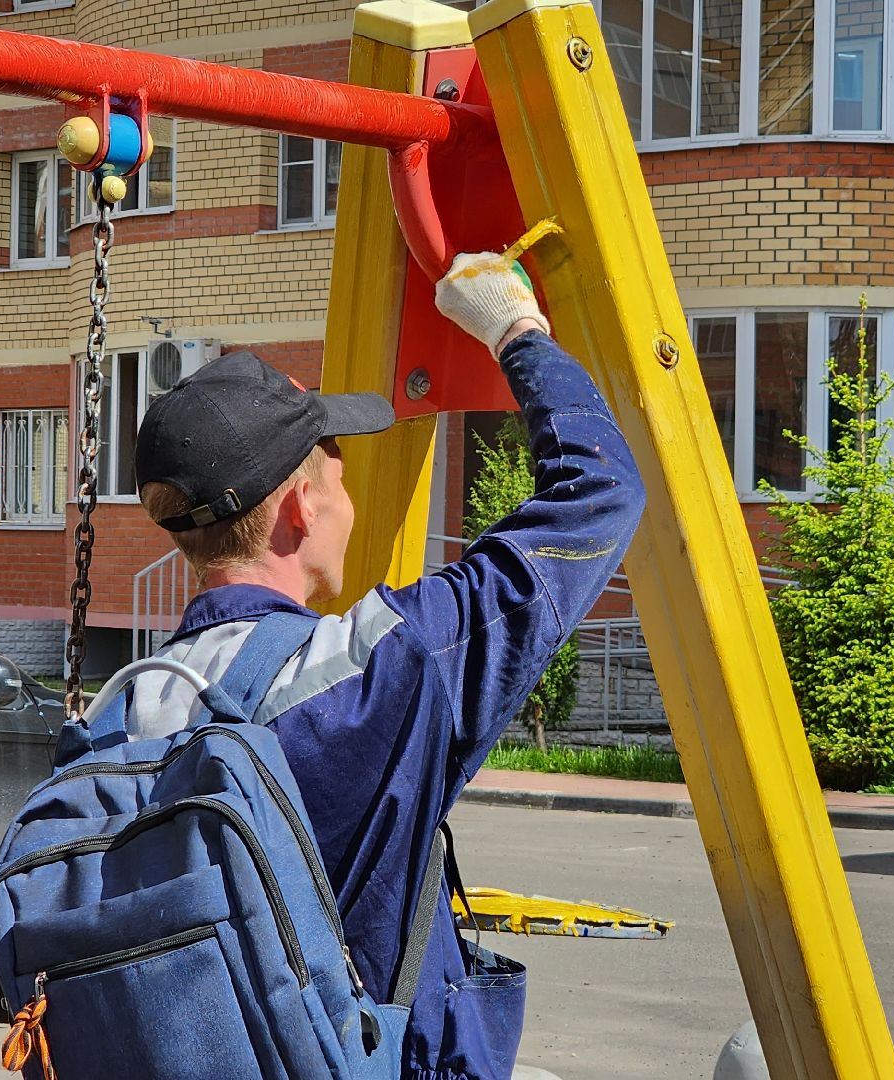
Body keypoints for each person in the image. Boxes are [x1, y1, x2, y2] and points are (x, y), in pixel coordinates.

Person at [123, 250, 645, 1080]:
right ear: (301, 506)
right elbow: (601, 491)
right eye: (339, 468)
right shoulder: (382, 664)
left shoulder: (129, 707)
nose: (348, 493)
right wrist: (517, 331)